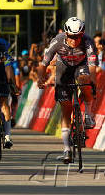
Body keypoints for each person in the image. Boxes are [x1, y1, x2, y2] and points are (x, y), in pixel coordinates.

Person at [38, 17, 97, 164]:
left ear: (82, 34)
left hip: (81, 65)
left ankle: (88, 114)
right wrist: (41, 78)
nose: (74, 40)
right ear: (66, 34)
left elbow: (92, 66)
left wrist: (92, 82)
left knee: (85, 80)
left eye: (78, 37)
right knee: (66, 108)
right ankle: (66, 149)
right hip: (63, 68)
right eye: (71, 36)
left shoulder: (88, 41)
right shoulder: (57, 41)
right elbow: (44, 63)